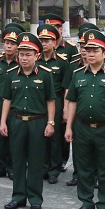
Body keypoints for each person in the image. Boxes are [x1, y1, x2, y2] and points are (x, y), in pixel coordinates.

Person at [64, 30, 105, 209]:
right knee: (84, 166)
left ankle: (104, 204)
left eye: (95, 50)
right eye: (87, 50)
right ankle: (86, 202)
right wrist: (69, 126)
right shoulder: (77, 75)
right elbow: (72, 102)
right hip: (82, 127)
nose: (90, 54)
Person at [0, 33, 56, 209]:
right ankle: (18, 197)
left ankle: (35, 199)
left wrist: (51, 122)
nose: (24, 58)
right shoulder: (11, 75)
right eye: (21, 54)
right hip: (16, 122)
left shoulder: (46, 75)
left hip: (37, 122)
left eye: (28, 54)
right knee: (17, 161)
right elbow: (6, 99)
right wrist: (2, 122)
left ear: (36, 56)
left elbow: (50, 101)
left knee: (36, 161)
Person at [0, 24, 22, 180]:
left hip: (15, 104)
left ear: (18, 46)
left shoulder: (21, 64)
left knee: (13, 136)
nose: (9, 46)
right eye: (7, 42)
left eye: (13, 43)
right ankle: (0, 166)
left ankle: (12, 167)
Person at [37, 24, 69, 185]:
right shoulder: (36, 60)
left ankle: (54, 169)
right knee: (41, 135)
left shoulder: (62, 62)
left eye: (48, 40)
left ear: (55, 43)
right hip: (39, 101)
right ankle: (43, 166)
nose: (44, 43)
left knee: (55, 136)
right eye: (41, 40)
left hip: (56, 100)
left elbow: (66, 88)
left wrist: (65, 109)